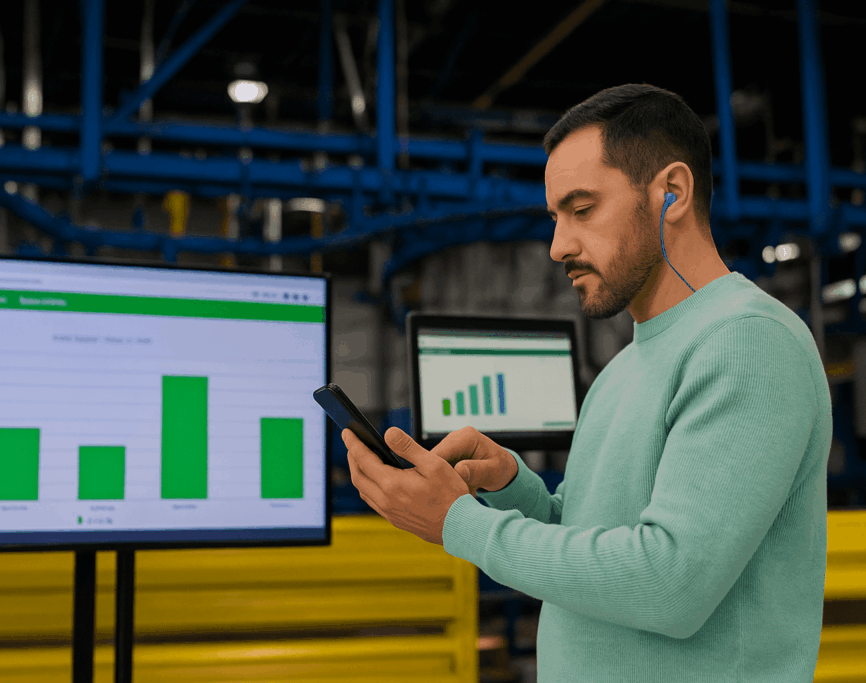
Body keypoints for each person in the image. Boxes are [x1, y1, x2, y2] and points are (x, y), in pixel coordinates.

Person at [344, 83, 832, 682]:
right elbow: (592, 552)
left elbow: (668, 583)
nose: (557, 247)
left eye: (582, 210)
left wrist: (457, 522)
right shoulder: (622, 368)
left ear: (672, 194)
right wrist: (513, 488)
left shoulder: (747, 341)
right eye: (555, 218)